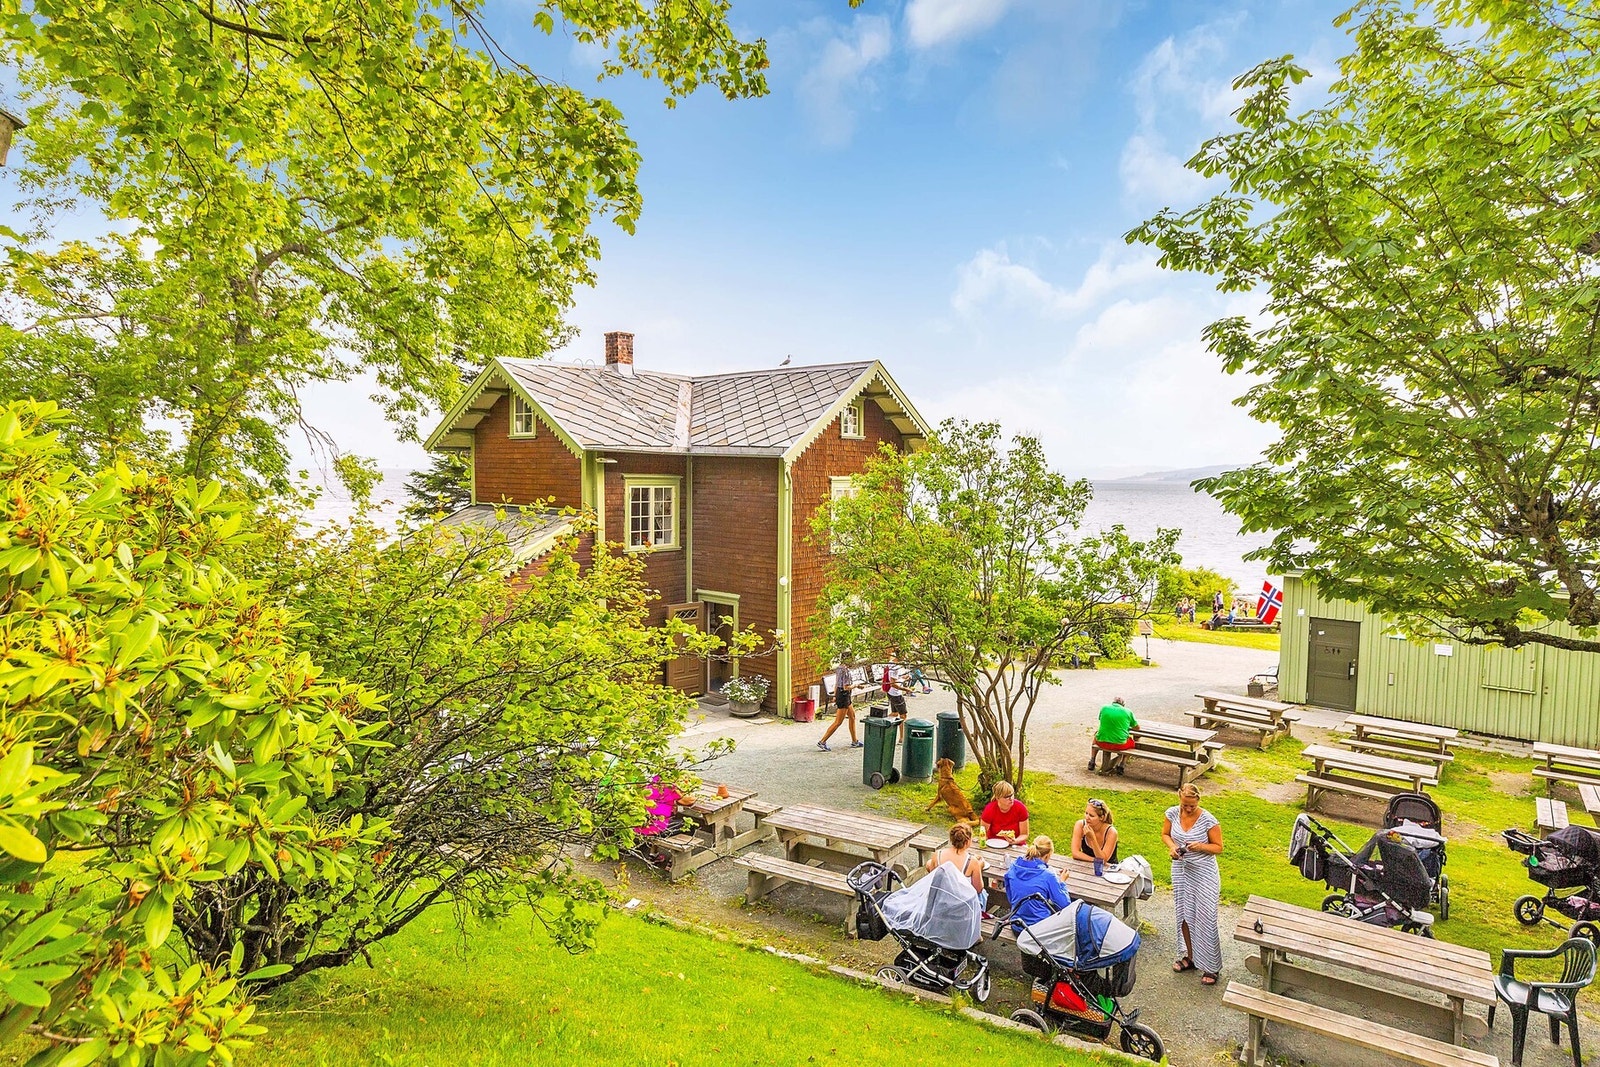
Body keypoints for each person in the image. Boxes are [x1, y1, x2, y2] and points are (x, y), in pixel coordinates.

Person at [1162, 782, 1224, 986]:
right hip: (1181, 870)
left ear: (1199, 801)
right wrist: (1172, 847)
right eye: (1185, 805)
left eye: (1192, 806)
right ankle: (1191, 957)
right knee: (1184, 915)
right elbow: (1165, 834)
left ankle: (1212, 966)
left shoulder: (1208, 820)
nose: (1188, 809)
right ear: (1179, 796)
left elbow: (1219, 847)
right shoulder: (1172, 813)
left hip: (1204, 873)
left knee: (1206, 917)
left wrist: (1201, 846)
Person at [1004, 835, 1070, 926]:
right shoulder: (1048, 875)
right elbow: (1064, 905)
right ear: (1047, 856)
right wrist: (1061, 882)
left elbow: (1011, 897)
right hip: (1038, 931)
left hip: (1016, 925)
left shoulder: (1013, 867)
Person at [925, 821, 985, 894]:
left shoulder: (937, 854)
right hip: (961, 902)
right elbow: (978, 889)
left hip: (940, 898)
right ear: (968, 841)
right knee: (983, 894)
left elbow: (932, 880)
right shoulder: (972, 861)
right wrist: (978, 866)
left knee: (929, 863)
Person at [818, 661, 863, 751]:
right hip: (844, 696)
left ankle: (854, 741)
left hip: (841, 694)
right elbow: (846, 687)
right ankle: (822, 741)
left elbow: (837, 683)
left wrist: (835, 695)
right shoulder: (845, 671)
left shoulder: (839, 668)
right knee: (838, 722)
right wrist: (857, 685)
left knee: (852, 717)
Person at [1088, 697, 1138, 775]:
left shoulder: (1104, 708)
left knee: (1096, 736)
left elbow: (1100, 719)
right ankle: (1122, 764)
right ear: (1123, 704)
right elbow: (1137, 728)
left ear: (1113, 702)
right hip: (1120, 745)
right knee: (1132, 744)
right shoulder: (1128, 712)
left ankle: (1092, 760)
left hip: (1102, 742)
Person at [1071, 798, 1119, 864]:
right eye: (1086, 813)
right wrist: (1095, 860)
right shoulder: (1080, 825)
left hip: (1109, 870)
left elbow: (1103, 859)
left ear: (1101, 817)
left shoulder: (1111, 832)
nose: (1087, 817)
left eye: (1091, 815)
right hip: (1086, 865)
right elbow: (1075, 853)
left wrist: (1092, 839)